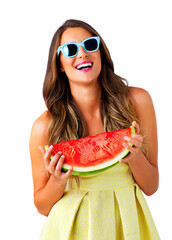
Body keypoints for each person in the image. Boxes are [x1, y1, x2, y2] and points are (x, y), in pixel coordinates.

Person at [29, 19, 160, 240]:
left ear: (100, 53)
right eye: (70, 50)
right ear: (59, 64)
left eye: (90, 45)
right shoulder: (44, 126)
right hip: (71, 230)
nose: (82, 54)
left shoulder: (138, 101)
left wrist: (135, 157)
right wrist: (58, 180)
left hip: (127, 226)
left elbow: (151, 186)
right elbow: (42, 207)